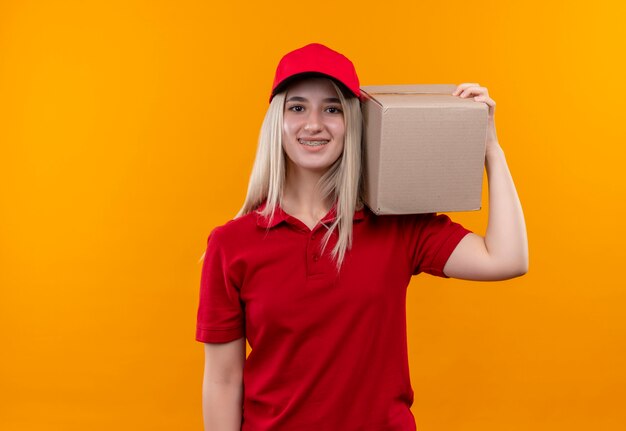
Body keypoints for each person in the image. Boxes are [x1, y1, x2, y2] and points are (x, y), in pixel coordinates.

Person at [195, 43, 528, 431]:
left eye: (332, 108)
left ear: (353, 122)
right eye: (297, 107)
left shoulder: (398, 224)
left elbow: (508, 259)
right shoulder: (231, 244)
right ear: (277, 122)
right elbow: (222, 380)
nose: (314, 123)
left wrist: (490, 147)